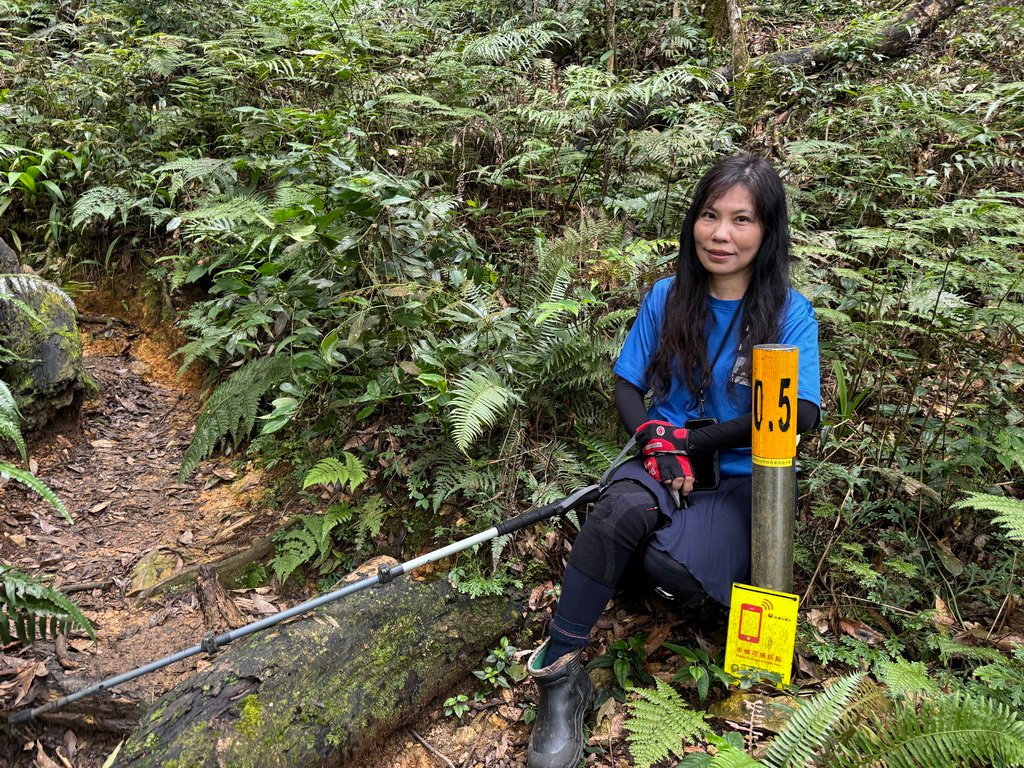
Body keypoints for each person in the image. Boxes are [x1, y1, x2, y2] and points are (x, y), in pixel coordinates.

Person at [525, 154, 821, 768]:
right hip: (661, 463)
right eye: (710, 216)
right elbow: (627, 388)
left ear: (767, 231)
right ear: (693, 222)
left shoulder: (788, 312)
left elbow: (801, 415)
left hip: (743, 482)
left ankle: (627, 556)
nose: (721, 234)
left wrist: (692, 445)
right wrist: (658, 440)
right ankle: (560, 676)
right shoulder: (668, 296)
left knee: (675, 577)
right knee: (616, 513)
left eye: (741, 220)